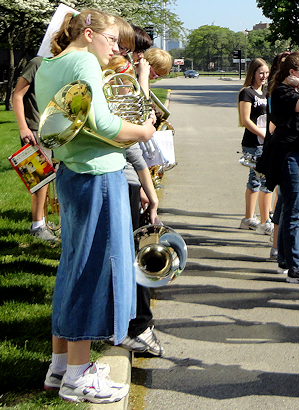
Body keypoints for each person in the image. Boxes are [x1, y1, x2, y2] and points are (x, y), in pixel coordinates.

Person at [36, 9, 156, 403]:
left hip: (72, 173)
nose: (116, 50)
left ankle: (60, 367)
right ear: (89, 34)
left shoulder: (46, 66)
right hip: (98, 177)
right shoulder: (85, 59)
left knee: (73, 267)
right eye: (112, 41)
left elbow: (63, 126)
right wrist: (145, 129)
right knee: (93, 272)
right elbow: (104, 124)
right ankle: (78, 376)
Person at [102, 53, 164, 356]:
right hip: (122, 182)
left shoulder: (109, 103)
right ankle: (138, 326)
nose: (130, 92)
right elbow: (134, 151)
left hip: (125, 182)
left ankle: (130, 322)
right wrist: (150, 194)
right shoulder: (114, 106)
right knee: (130, 258)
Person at [256, 50, 299, 285]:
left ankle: (286, 259)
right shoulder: (283, 92)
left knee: (287, 210)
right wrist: (297, 82)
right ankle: (298, 267)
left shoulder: (295, 86)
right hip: (292, 157)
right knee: (295, 213)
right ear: (292, 73)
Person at [11, 56, 59, 242]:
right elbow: (17, 95)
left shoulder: (61, 65)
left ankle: (43, 222)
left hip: (52, 131)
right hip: (33, 130)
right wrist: (23, 128)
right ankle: (37, 226)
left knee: (49, 180)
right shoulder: (37, 63)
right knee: (39, 180)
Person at [238, 58, 273, 235]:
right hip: (253, 144)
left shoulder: (265, 93)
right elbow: (245, 120)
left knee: (258, 180)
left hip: (265, 143)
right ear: (253, 73)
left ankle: (250, 218)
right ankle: (261, 220)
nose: (264, 76)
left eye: (266, 73)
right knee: (261, 179)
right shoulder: (247, 93)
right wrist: (263, 134)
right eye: (261, 73)